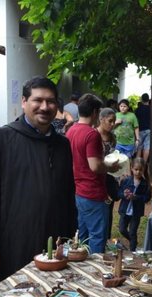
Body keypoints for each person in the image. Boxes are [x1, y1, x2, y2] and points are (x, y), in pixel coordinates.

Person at [0, 76, 77, 292]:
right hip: (13, 240)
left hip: (53, 239)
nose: (45, 107)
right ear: (24, 101)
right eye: (37, 100)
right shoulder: (2, 138)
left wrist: (69, 237)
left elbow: (68, 193)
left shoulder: (62, 145)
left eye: (50, 101)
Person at [67, 94, 119, 253]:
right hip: (93, 191)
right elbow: (95, 166)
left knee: (83, 235)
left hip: (78, 190)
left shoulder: (71, 130)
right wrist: (111, 168)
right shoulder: (91, 134)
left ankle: (81, 265)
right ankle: (95, 270)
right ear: (96, 112)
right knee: (97, 236)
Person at [117, 158, 152, 251]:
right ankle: (133, 241)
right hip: (125, 210)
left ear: (144, 170)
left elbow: (147, 198)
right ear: (131, 168)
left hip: (136, 212)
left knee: (133, 231)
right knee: (122, 229)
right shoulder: (126, 180)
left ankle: (132, 250)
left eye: (140, 170)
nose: (138, 172)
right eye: (136, 169)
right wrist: (124, 194)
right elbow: (119, 193)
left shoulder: (145, 184)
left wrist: (136, 197)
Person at [97, 107, 119, 239]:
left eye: (114, 121)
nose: (112, 124)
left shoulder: (113, 137)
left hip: (110, 177)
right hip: (98, 177)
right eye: (110, 121)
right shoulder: (93, 135)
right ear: (101, 119)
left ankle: (106, 237)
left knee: (109, 209)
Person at [135, 93, 151, 161]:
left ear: (142, 99)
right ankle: (144, 164)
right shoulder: (151, 109)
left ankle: (137, 163)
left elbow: (135, 121)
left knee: (139, 147)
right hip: (149, 130)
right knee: (147, 147)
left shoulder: (138, 109)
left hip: (140, 130)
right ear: (148, 99)